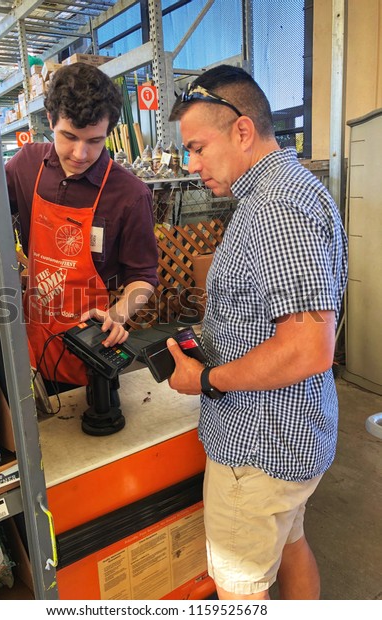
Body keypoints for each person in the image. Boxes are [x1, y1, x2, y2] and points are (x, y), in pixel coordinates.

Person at [166, 65, 348, 600]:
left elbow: (308, 346)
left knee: (241, 588)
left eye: (198, 148)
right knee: (292, 543)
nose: (193, 165)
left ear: (242, 131)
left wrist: (208, 380)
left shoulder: (275, 210)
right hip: (295, 437)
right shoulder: (292, 191)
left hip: (260, 448)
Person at [6, 62, 158, 389]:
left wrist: (117, 315)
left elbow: (143, 277)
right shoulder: (26, 165)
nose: (80, 153)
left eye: (94, 140)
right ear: (50, 121)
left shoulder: (130, 195)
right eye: (69, 136)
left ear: (109, 132)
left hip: (91, 350)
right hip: (29, 340)